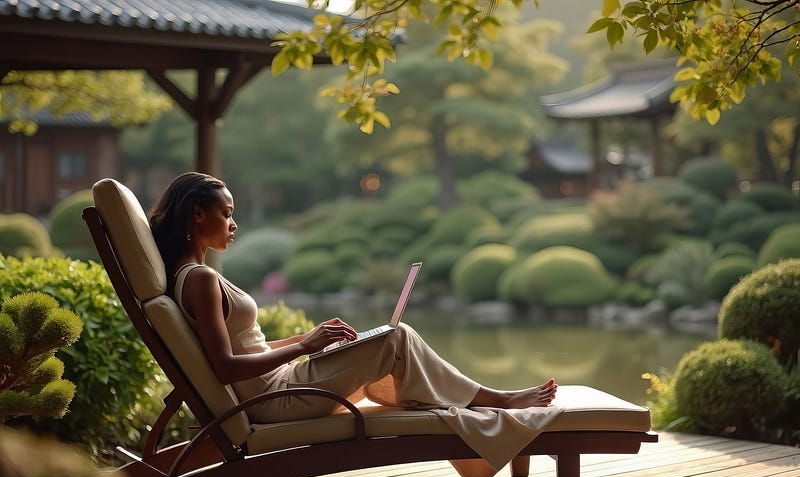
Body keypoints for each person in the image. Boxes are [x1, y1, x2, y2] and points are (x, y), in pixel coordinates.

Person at [148, 171, 557, 425]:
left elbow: (244, 349)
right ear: (197, 214)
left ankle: (470, 402)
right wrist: (306, 347)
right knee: (396, 338)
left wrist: (305, 339)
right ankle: (496, 400)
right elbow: (225, 368)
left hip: (283, 385)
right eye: (226, 213)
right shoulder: (199, 279)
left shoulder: (195, 276)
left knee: (391, 338)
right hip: (277, 401)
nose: (233, 224)